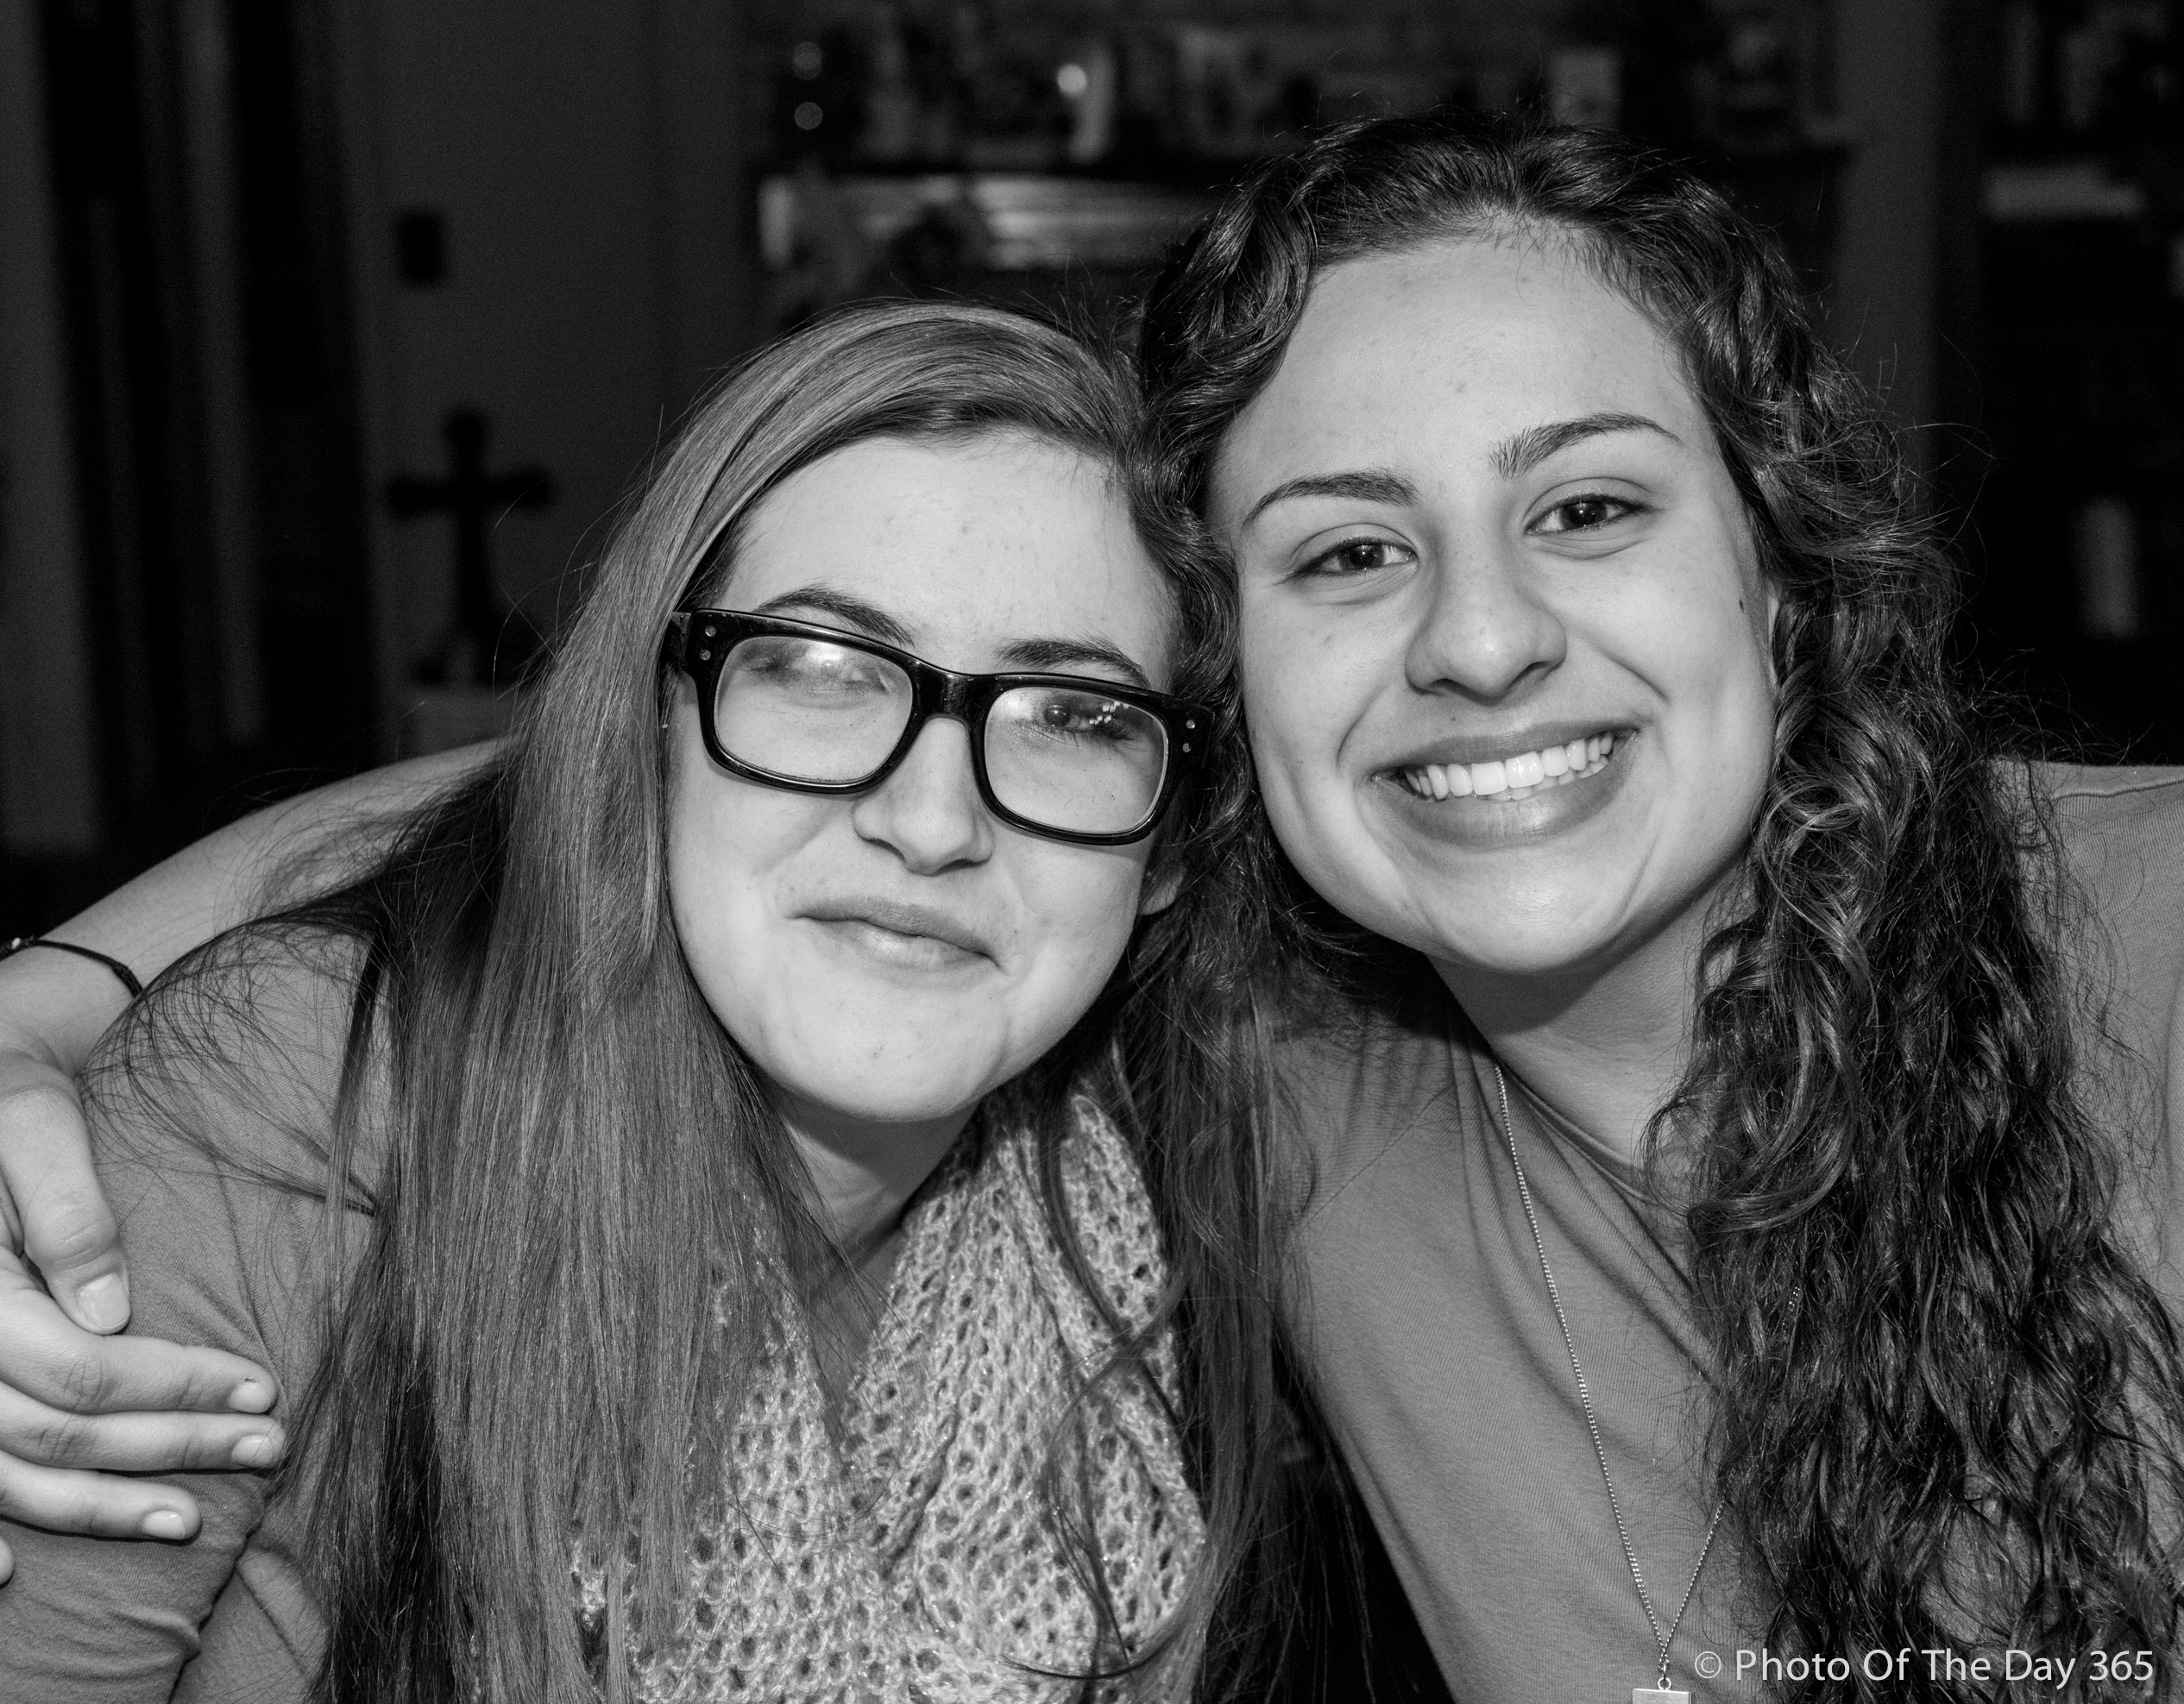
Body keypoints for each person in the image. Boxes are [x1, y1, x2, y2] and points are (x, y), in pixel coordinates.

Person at [6, 114, 2184, 1701]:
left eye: (1591, 507)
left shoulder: (2133, 940)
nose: (1483, 639)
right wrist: (61, 984)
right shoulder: (1279, 1040)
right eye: (1349, 552)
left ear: (1789, 578)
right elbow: (639, 785)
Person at [0, 298, 1292, 1700]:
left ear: (1173, 844)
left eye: (1076, 717)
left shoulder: (1160, 1187)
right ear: (652, 720)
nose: (931, 823)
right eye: (818, 669)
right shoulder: (304, 1109)